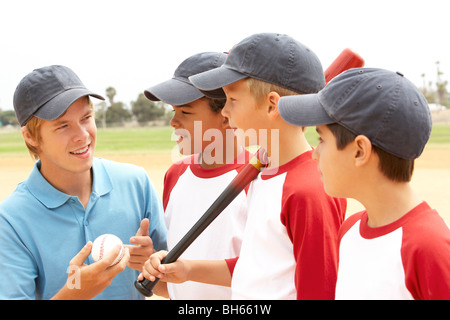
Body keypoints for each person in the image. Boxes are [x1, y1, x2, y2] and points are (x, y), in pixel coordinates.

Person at [141, 33, 347, 299]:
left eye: (232, 100)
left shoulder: (308, 190)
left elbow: (320, 289)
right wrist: (188, 269)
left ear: (272, 105)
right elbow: (258, 268)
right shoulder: (264, 173)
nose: (224, 112)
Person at [278, 67, 450, 299]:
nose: (314, 154)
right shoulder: (349, 231)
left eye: (321, 139)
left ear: (359, 151)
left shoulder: (429, 247)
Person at [0, 65, 167, 300]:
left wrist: (154, 265)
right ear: (30, 136)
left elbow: (177, 285)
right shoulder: (10, 220)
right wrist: (75, 294)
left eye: (86, 117)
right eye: (63, 125)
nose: (83, 135)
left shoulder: (135, 182)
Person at [140, 52, 251, 299]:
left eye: (186, 112)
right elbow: (176, 289)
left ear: (226, 115)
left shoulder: (258, 180)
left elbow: (263, 274)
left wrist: (187, 271)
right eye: (173, 110)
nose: (173, 121)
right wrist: (149, 265)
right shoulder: (176, 174)